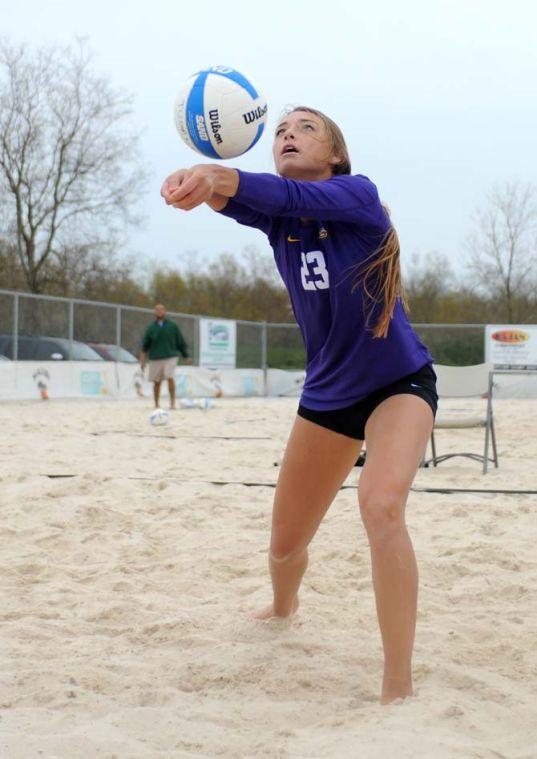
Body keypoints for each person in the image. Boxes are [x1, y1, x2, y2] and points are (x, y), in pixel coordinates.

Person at [160, 106, 438, 705]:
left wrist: (218, 176)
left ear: (335, 153)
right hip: (328, 395)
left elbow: (259, 190)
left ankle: (398, 685)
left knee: (381, 506)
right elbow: (246, 197)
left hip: (399, 383)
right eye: (281, 130)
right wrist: (198, 181)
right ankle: (283, 607)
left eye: (306, 127)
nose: (288, 134)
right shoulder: (280, 218)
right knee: (286, 544)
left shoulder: (358, 197)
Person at [140, 303, 191, 409]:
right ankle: (156, 404)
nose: (159, 312)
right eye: (157, 310)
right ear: (154, 312)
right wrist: (142, 361)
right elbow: (145, 346)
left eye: (161, 310)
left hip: (170, 356)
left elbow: (180, 342)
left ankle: (172, 403)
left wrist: (186, 356)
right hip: (155, 358)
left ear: (165, 311)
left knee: (170, 377)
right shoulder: (151, 328)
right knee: (156, 382)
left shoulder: (172, 326)